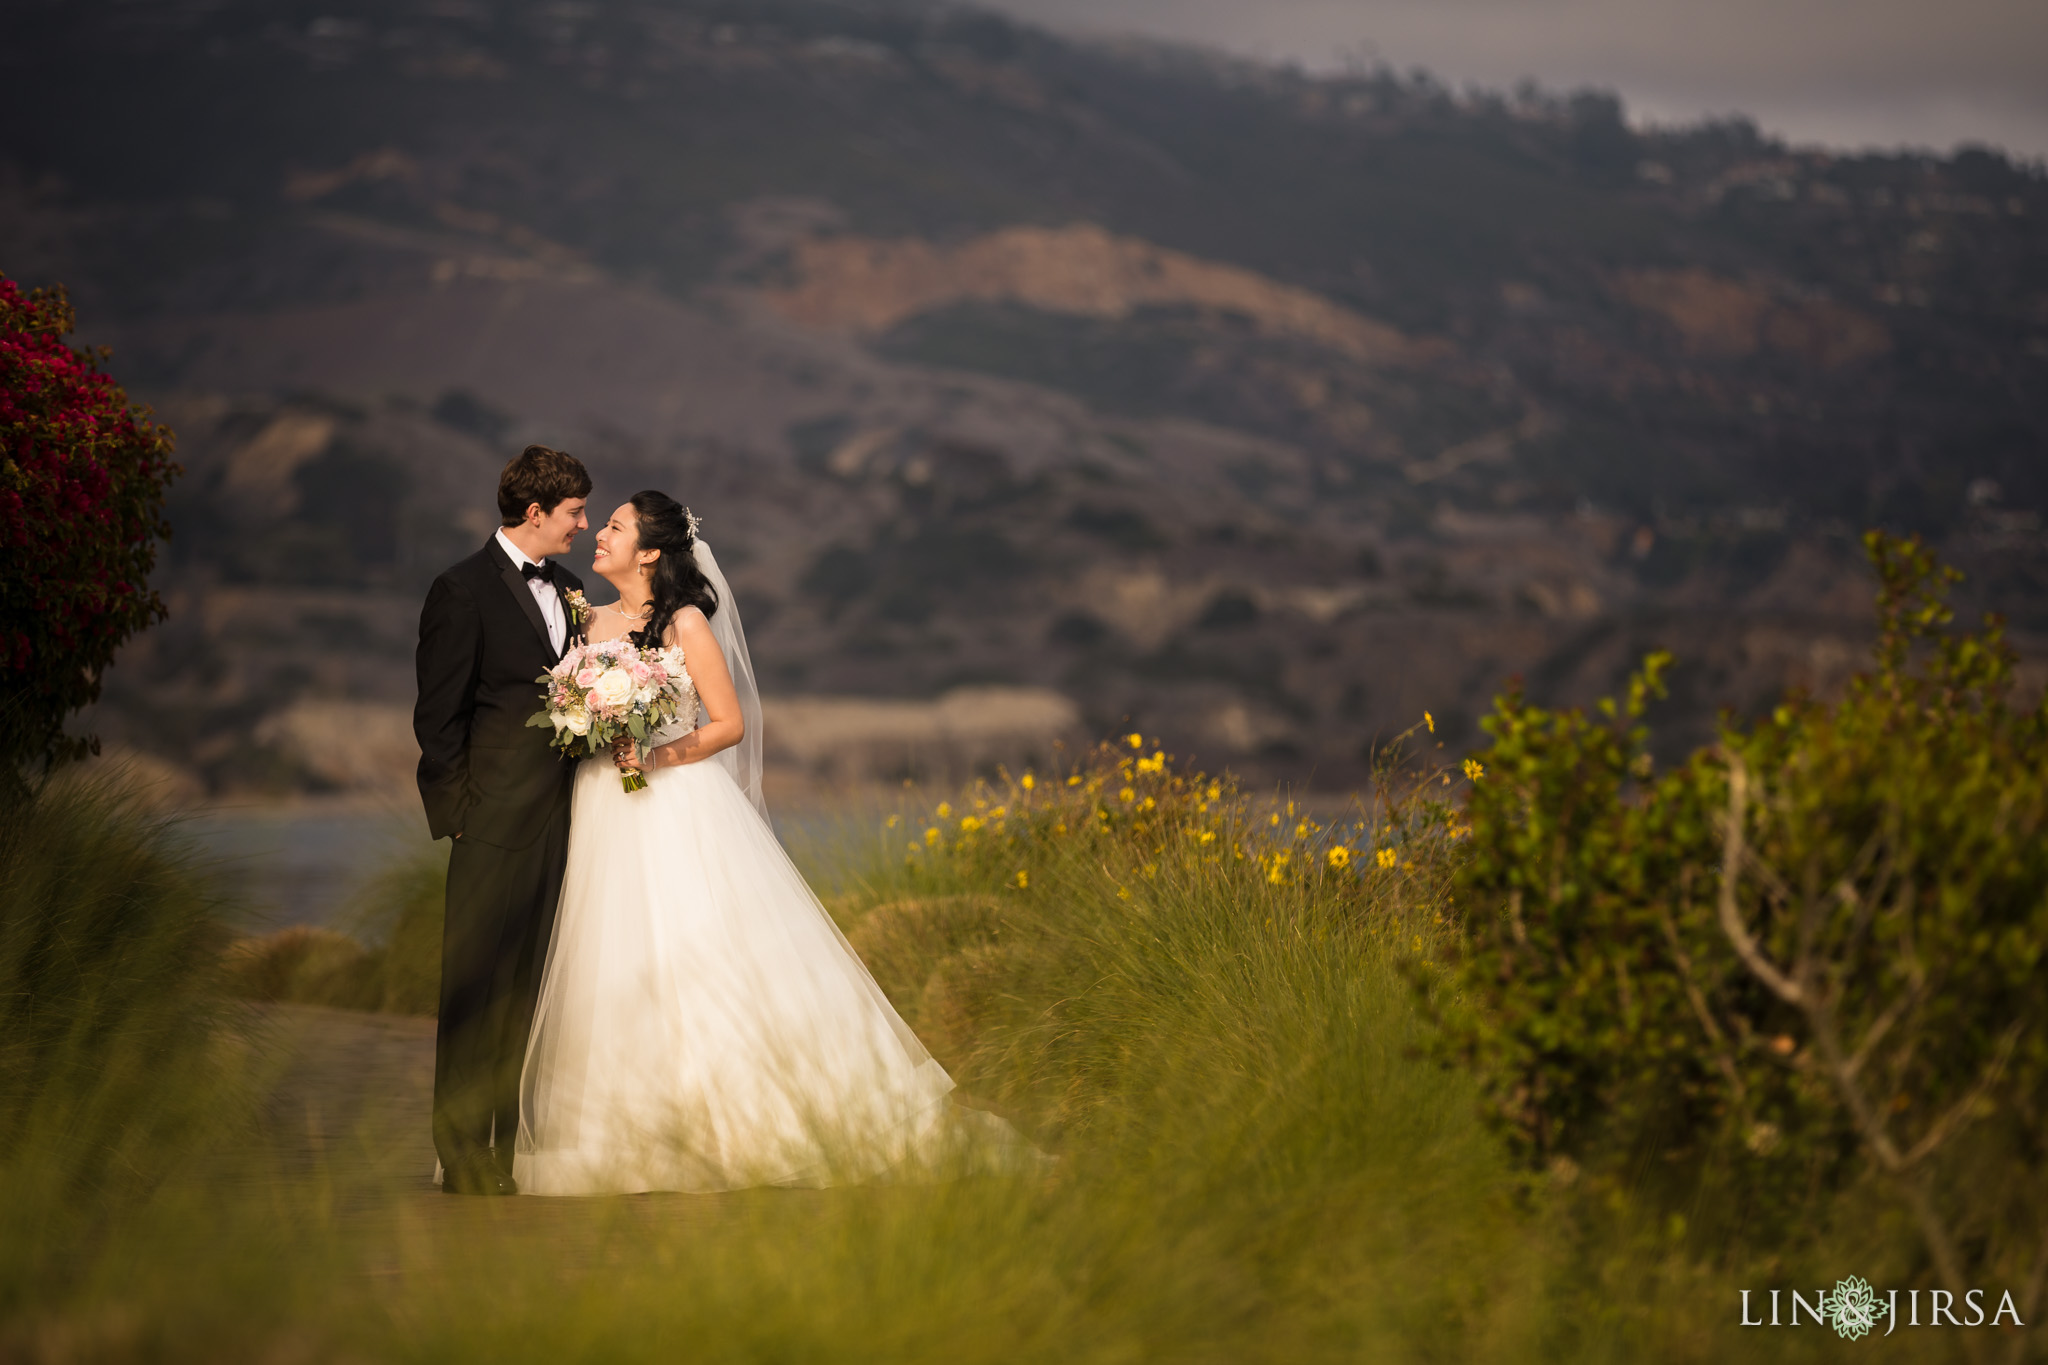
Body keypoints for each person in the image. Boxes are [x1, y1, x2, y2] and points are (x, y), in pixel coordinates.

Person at [513, 491, 1038, 1194]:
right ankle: (619, 1127)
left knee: (698, 952)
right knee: (614, 955)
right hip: (603, 805)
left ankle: (738, 1123)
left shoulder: (685, 622)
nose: (598, 535)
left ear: (650, 551)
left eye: (613, 526)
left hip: (673, 803)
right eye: (600, 524)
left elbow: (727, 722)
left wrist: (657, 755)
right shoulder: (586, 618)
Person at [413, 444, 590, 1195]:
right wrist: (458, 818)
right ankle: (461, 1155)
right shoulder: (460, 590)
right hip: (488, 826)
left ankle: (509, 1148)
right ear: (535, 512)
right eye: (575, 513)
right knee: (474, 988)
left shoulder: (575, 589)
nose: (581, 527)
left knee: (529, 992)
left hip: (565, 823)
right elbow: (438, 715)